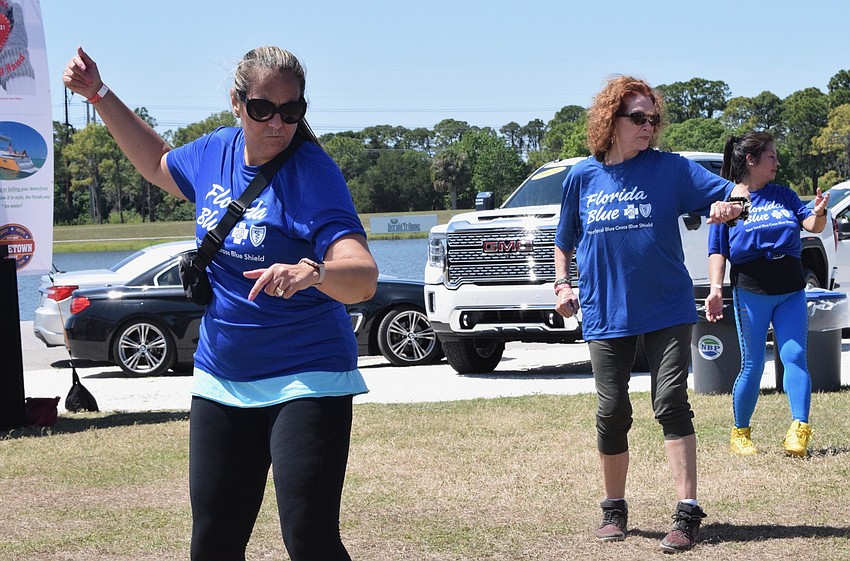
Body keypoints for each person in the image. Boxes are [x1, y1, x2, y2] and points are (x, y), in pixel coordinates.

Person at [63, 45, 378, 561]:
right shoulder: (216, 151)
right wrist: (98, 93)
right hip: (223, 375)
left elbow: (362, 278)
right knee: (212, 542)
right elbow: (158, 163)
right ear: (236, 103)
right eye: (262, 109)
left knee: (309, 537)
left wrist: (312, 272)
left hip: (307, 373)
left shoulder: (314, 174)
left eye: (292, 110)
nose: (278, 123)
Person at [553, 75, 747, 553]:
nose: (647, 126)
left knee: (670, 403)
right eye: (637, 117)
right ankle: (613, 508)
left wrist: (731, 207)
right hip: (605, 310)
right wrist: (561, 284)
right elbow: (564, 238)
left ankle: (686, 513)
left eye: (652, 118)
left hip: (666, 307)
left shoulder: (671, 170)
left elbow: (736, 191)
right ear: (610, 121)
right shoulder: (582, 177)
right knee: (612, 410)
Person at [705, 132, 828, 458]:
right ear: (751, 160)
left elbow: (812, 225)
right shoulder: (729, 201)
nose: (777, 162)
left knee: (794, 358)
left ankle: (799, 430)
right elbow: (717, 251)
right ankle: (740, 433)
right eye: (771, 156)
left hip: (790, 290)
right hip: (751, 292)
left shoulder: (784, 195)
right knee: (753, 365)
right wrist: (716, 290)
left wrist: (820, 211)